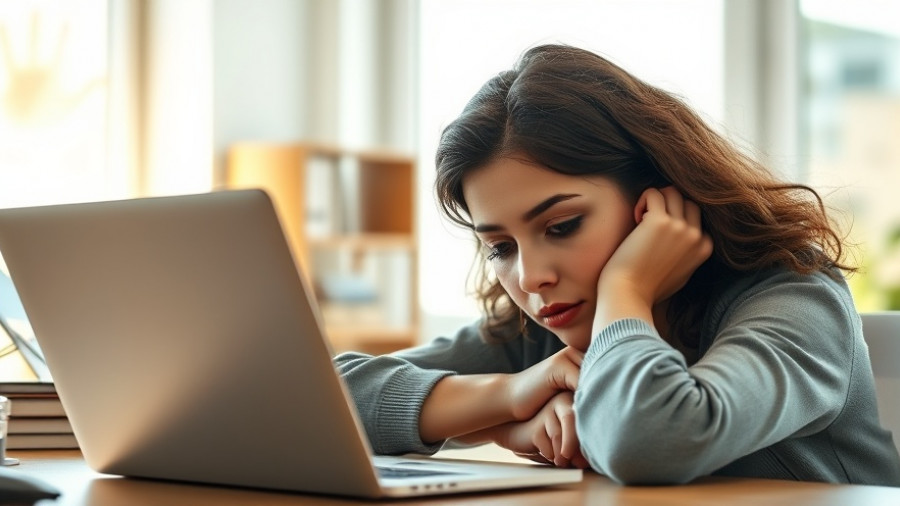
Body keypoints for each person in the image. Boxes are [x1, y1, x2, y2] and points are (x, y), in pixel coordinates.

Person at [335, 44, 900, 486]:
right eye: (500, 247)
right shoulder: (549, 330)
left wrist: (626, 287)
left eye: (561, 227)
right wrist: (512, 407)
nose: (531, 277)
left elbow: (649, 439)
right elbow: (325, 396)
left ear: (656, 199)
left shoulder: (795, 296)